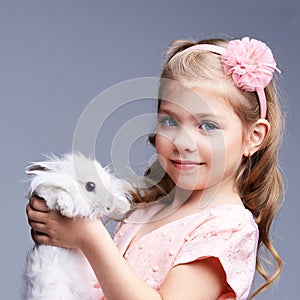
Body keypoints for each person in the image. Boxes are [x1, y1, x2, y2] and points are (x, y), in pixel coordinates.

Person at [26, 36, 285, 299]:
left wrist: (90, 238)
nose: (183, 142)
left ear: (253, 137)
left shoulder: (228, 227)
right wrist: (64, 228)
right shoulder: (151, 210)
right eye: (170, 121)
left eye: (208, 126)